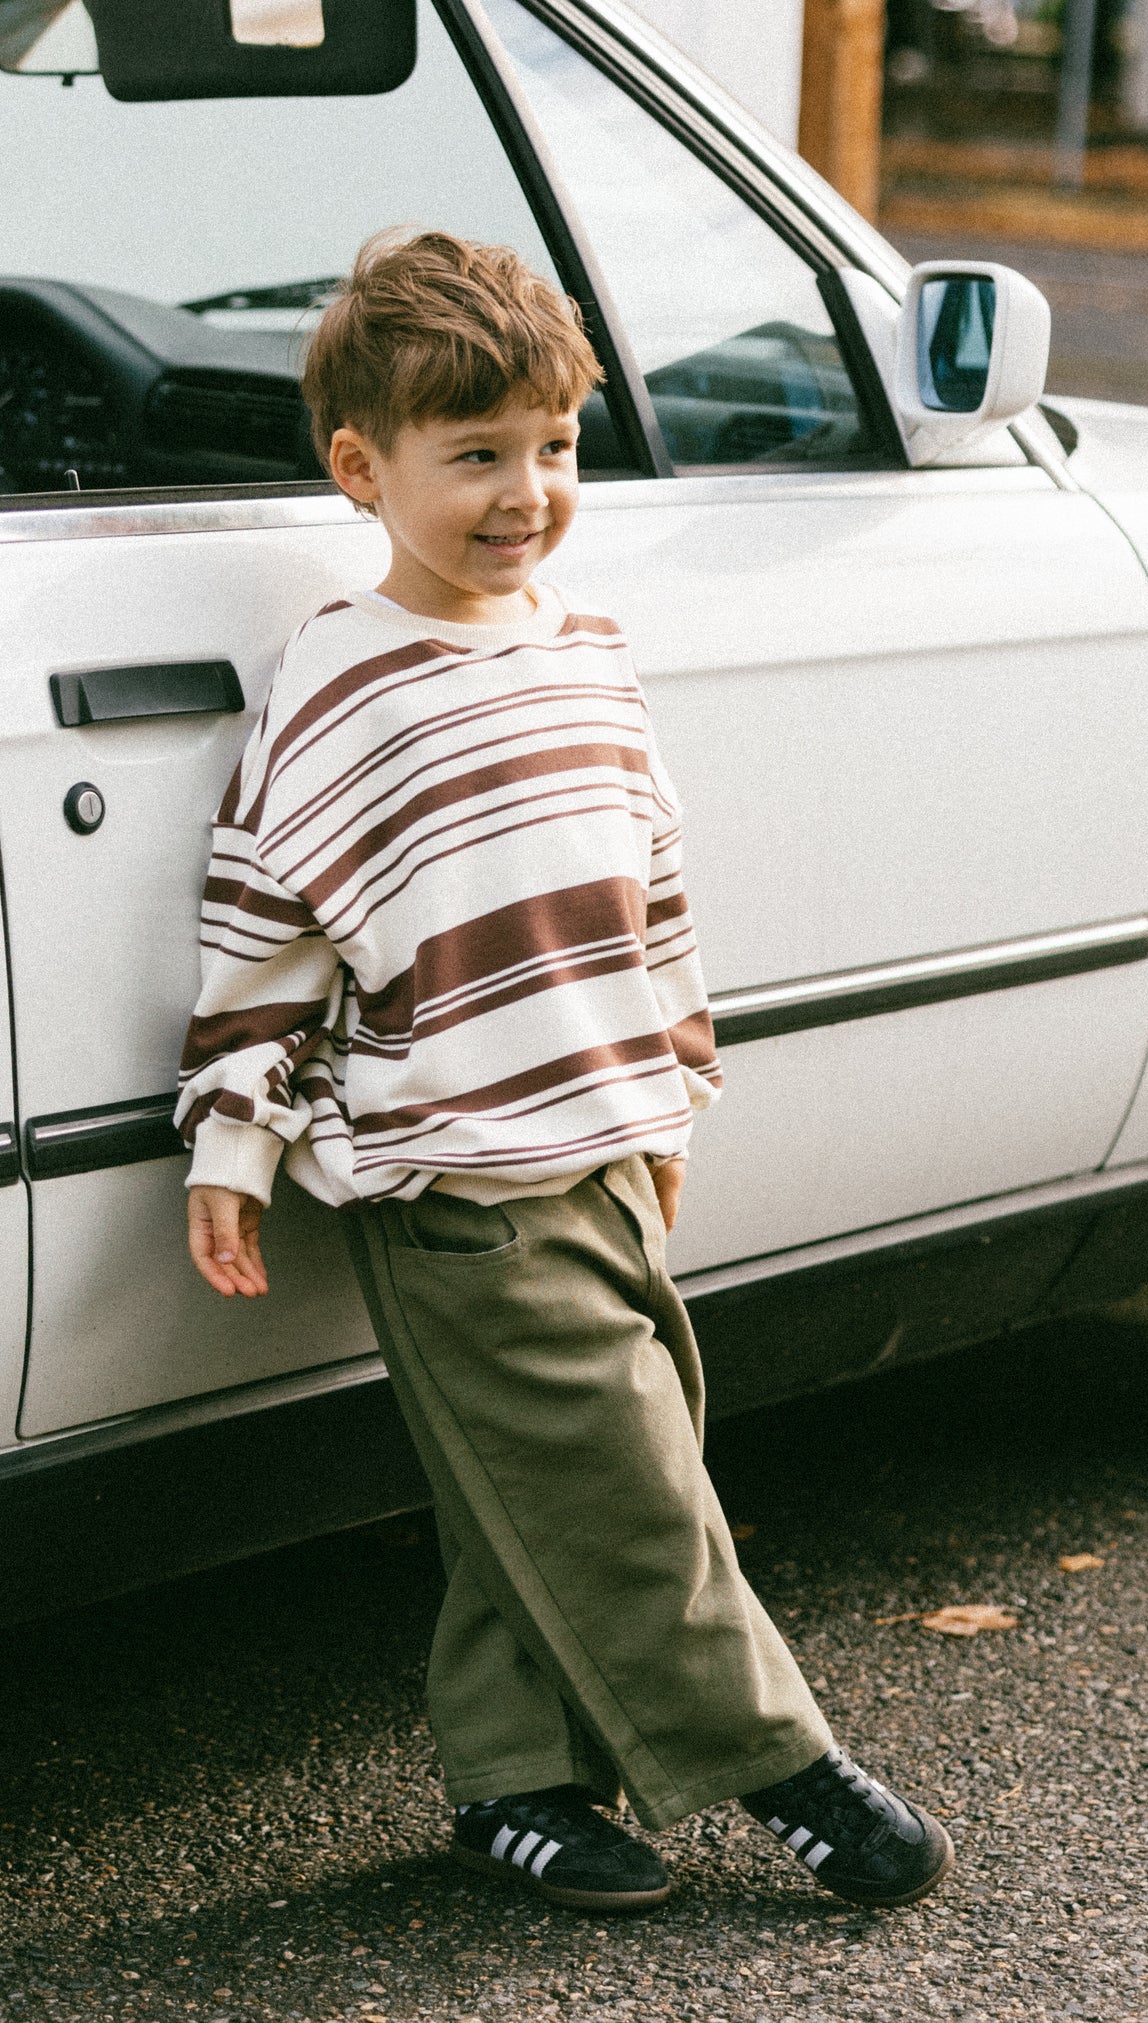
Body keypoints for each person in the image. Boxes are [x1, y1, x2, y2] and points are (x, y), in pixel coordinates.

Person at [175, 229, 954, 1916]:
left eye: (554, 447)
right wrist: (230, 1147)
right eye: (475, 457)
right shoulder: (342, 685)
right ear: (361, 469)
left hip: (597, 1146)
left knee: (527, 1482)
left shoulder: (582, 649)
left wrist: (670, 1090)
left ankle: (517, 1786)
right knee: (624, 1489)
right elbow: (262, 940)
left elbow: (646, 896)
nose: (525, 492)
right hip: (453, 1182)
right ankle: (783, 1769)